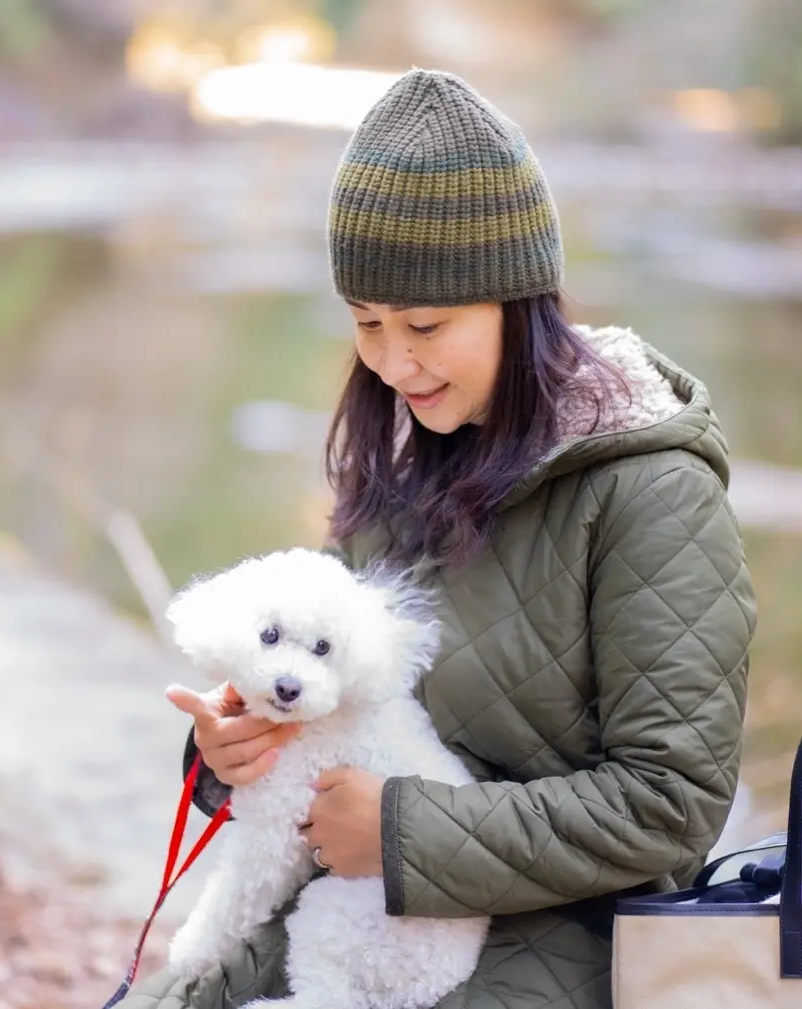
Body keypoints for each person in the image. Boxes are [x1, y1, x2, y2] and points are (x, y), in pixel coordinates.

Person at [120, 69, 757, 1009]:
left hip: (572, 938)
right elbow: (326, 691)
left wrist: (402, 831)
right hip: (356, 901)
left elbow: (671, 805)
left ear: (519, 299)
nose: (392, 361)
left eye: (424, 324)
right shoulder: (402, 465)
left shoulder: (649, 489)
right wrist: (234, 744)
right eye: (367, 325)